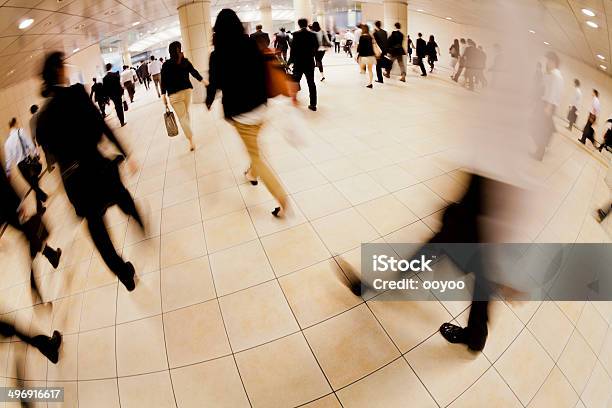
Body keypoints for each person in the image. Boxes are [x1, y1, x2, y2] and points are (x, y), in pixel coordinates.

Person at [36, 51, 143, 292]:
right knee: (121, 196)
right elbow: (101, 126)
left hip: (74, 180)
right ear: (59, 71)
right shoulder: (75, 93)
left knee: (97, 230)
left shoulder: (42, 118)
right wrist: (124, 152)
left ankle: (124, 273)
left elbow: (50, 156)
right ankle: (137, 220)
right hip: (95, 166)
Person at [206, 9, 288, 217]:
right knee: (255, 147)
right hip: (261, 106)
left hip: (241, 114)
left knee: (256, 155)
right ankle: (251, 173)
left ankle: (280, 197)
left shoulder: (216, 55)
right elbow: (262, 71)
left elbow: (215, 83)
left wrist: (208, 101)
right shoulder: (251, 44)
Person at [0, 167, 62, 303]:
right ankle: (35, 292)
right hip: (10, 209)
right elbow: (4, 185)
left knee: (31, 238)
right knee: (31, 247)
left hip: (5, 215)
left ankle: (52, 256)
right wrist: (18, 206)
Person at [160, 41, 204, 151]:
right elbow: (193, 72)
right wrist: (203, 80)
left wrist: (163, 95)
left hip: (174, 96)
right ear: (179, 49)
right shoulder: (184, 61)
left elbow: (163, 81)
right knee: (186, 113)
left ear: (170, 51)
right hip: (187, 91)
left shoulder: (166, 65)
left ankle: (191, 140)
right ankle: (188, 130)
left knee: (182, 117)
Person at [4, 118, 47, 214]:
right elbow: (30, 144)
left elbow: (8, 160)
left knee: (33, 184)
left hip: (20, 166)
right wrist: (36, 153)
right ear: (15, 124)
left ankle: (42, 199)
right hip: (28, 162)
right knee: (35, 183)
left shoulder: (7, 143)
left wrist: (8, 172)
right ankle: (41, 198)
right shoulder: (20, 132)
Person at [534, 52, 564, 160]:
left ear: (553, 62)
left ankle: (540, 151)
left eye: (548, 61)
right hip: (548, 104)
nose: (547, 63)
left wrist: (548, 107)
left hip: (547, 104)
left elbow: (553, 92)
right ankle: (547, 137)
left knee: (538, 126)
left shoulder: (555, 75)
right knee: (543, 126)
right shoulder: (556, 75)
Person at [288, 18, 319, 111]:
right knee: (311, 83)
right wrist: (312, 55)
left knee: (295, 81)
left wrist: (290, 61)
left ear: (299, 25)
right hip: (309, 62)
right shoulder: (313, 34)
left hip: (298, 62)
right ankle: (313, 104)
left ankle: (294, 99)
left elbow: (293, 50)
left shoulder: (296, 34)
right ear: (307, 24)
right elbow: (316, 47)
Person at [30, 104, 55, 173]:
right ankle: (52, 164)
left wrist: (34, 142)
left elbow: (33, 133)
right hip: (47, 136)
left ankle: (50, 167)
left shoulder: (31, 120)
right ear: (37, 109)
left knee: (46, 152)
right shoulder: (40, 114)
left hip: (41, 139)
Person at [356, 24, 376, 88]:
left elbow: (360, 47)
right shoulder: (370, 37)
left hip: (364, 56)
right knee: (370, 70)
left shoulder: (362, 37)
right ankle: (370, 83)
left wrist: (358, 54)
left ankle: (366, 78)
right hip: (371, 55)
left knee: (362, 69)